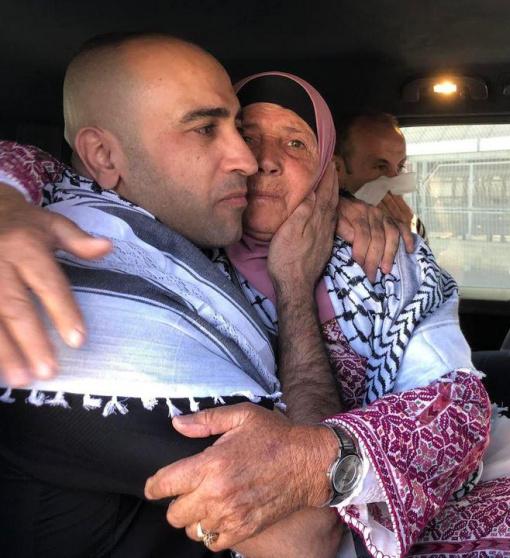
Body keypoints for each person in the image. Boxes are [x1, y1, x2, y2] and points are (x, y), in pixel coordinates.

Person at [147, 71, 510, 558]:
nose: (265, 160)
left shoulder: (386, 253)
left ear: (325, 169)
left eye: (295, 143)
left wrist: (341, 208)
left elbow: (452, 404)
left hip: (412, 448)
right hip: (305, 505)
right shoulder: (188, 269)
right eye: (248, 136)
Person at [0, 33, 407, 558]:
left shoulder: (123, 225)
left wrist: (338, 201)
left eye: (235, 125)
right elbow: (311, 534)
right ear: (102, 155)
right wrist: (293, 287)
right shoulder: (98, 318)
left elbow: (37, 162)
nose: (248, 160)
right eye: (205, 128)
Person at [334, 111, 510, 438]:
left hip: (441, 370)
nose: (394, 181)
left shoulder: (401, 225)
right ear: (339, 170)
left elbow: (434, 296)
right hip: (405, 393)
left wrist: (413, 237)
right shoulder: (331, 234)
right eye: (379, 167)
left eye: (400, 167)